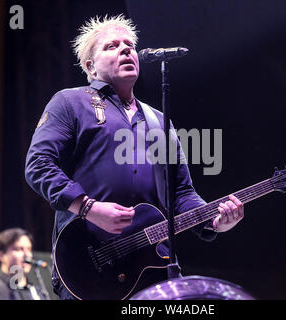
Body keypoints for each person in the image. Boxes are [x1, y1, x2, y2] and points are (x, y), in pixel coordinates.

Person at [25, 14, 244, 300]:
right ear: (90, 66)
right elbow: (38, 166)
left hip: (151, 266)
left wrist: (213, 220)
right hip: (88, 263)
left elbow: (180, 192)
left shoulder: (159, 120)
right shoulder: (70, 102)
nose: (126, 49)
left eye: (129, 44)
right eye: (112, 46)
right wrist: (89, 207)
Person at [0, 228, 47, 300]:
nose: (27, 255)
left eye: (29, 249)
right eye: (19, 249)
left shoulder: (37, 292)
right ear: (1, 255)